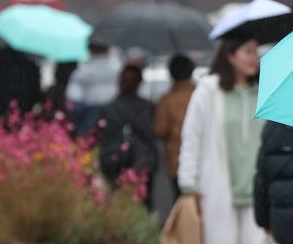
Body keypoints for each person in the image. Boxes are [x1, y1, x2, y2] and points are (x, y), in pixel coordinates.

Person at [178, 36, 268, 244]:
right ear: (230, 56)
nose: (254, 58)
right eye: (248, 52)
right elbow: (192, 137)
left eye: (256, 52)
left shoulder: (264, 92)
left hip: (256, 185)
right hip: (219, 186)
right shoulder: (209, 91)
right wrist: (188, 182)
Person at [98, 64, 158, 207]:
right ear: (139, 83)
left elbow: (101, 135)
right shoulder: (146, 107)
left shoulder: (108, 108)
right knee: (143, 204)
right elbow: (151, 134)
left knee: (116, 204)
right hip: (143, 160)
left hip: (114, 160)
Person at [153, 54, 196, 198]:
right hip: (201, 156)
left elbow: (160, 130)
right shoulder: (200, 95)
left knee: (180, 200)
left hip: (176, 158)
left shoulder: (166, 100)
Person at [66, 39, 121, 135]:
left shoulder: (81, 73)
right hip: (115, 121)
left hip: (89, 122)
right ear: (109, 49)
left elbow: (73, 103)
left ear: (89, 50)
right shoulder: (119, 72)